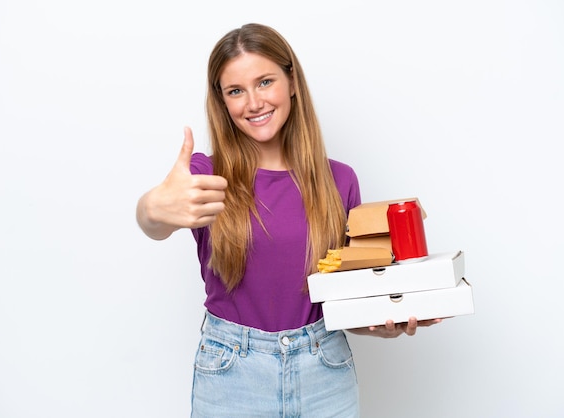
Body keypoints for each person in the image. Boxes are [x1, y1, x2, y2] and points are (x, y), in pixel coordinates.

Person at [136, 23, 440, 417]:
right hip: (232, 373)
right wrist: (152, 209)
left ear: (292, 81)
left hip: (325, 371)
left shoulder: (340, 180)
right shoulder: (206, 176)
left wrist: (382, 322)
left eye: (265, 82)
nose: (253, 102)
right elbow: (152, 220)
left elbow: (342, 300)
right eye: (235, 91)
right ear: (223, 102)